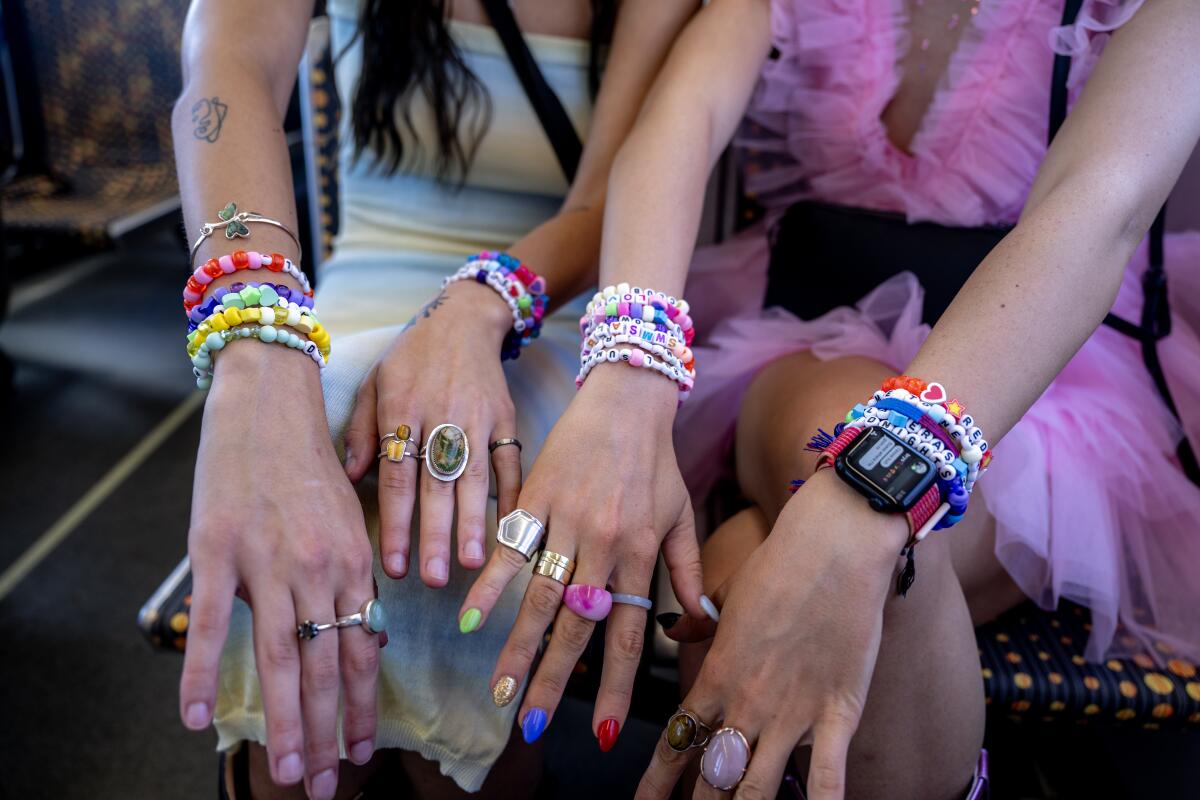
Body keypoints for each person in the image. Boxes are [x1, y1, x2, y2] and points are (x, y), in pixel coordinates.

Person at [515, 0, 1197, 798]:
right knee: (874, 509)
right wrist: (632, 370)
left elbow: (1099, 205)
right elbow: (680, 122)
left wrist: (876, 487)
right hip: (804, 350)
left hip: (1037, 379)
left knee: (772, 564)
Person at [171, 1, 701, 797]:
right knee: (328, 415)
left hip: (548, 303)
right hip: (346, 290)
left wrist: (479, 303)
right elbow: (227, 63)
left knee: (461, 489)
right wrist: (255, 343)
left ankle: (457, 764)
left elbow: (607, 200)